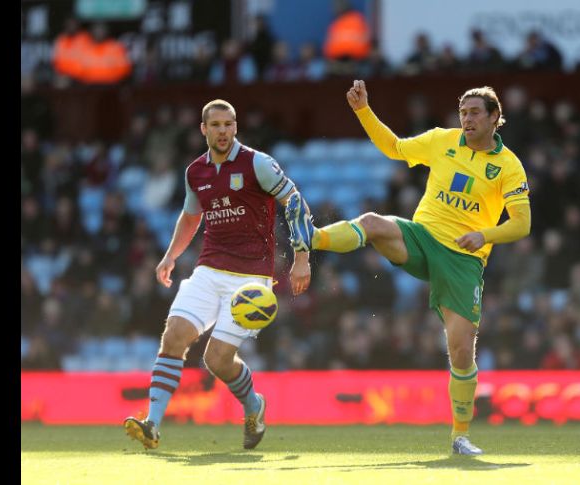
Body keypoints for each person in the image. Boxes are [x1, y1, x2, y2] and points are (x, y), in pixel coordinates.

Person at [284, 81, 531, 455]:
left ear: (495, 118)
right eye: (463, 112)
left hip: (463, 257)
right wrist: (363, 111)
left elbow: (522, 223)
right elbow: (394, 148)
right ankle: (312, 236)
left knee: (461, 347)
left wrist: (484, 235)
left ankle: (459, 436)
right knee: (371, 222)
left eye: (475, 112)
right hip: (422, 237)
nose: (466, 119)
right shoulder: (442, 140)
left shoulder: (508, 166)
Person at [124, 100, 312, 450]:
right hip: (208, 269)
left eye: (229, 124)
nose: (223, 131)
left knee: (216, 360)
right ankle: (152, 424)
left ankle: (253, 405)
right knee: (174, 337)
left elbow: (295, 202)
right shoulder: (195, 172)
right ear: (203, 129)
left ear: (236, 127)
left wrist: (302, 256)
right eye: (216, 125)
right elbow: (191, 217)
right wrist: (170, 257)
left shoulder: (258, 164)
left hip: (251, 279)